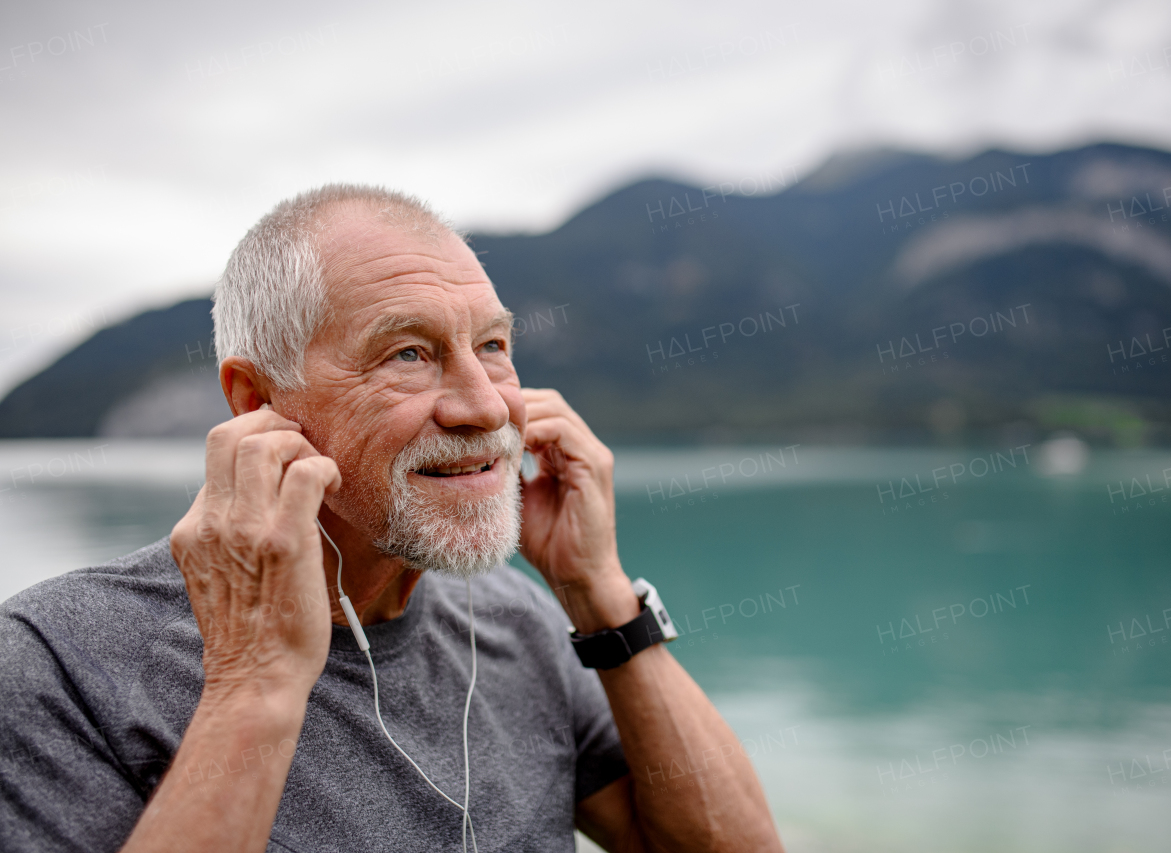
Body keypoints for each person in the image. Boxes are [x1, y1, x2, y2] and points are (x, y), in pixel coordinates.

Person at [0, 185, 784, 852]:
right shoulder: (57, 661)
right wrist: (254, 685)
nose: (484, 405)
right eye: (408, 353)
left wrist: (598, 593)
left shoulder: (520, 619)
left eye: (493, 344)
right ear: (257, 401)